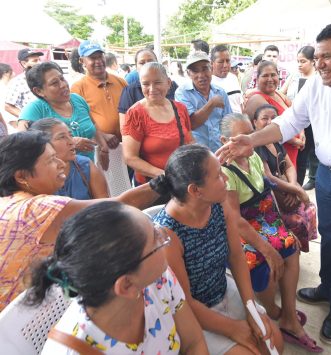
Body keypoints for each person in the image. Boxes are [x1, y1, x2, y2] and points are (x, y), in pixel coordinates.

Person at [216, 21, 331, 345]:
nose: (320, 64)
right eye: (317, 58)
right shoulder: (315, 85)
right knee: (329, 238)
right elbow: (288, 123)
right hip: (327, 176)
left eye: (327, 57)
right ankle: (328, 286)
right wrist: (251, 140)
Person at [0, 131, 159, 311]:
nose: (61, 164)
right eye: (51, 160)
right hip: (22, 317)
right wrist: (166, 179)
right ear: (21, 176)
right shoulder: (36, 209)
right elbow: (119, 207)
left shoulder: (10, 203)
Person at [24, 201, 208, 354]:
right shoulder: (74, 350)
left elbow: (193, 342)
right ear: (126, 285)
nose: (164, 236)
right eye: (155, 238)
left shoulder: (157, 280)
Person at [151, 144, 284, 355]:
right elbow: (183, 301)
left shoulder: (218, 206)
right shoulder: (168, 234)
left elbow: (236, 255)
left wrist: (250, 307)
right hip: (193, 314)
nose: (226, 179)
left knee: (273, 340)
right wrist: (232, 328)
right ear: (195, 190)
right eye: (218, 176)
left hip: (222, 291)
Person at [220, 113, 322, 352]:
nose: (247, 142)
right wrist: (267, 249)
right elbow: (234, 220)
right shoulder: (224, 172)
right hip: (242, 227)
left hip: (264, 219)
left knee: (290, 247)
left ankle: (288, 315)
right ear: (224, 139)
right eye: (239, 138)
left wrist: (294, 189)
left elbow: (267, 180)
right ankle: (275, 311)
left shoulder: (253, 155)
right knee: (262, 263)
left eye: (249, 136)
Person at [18, 62, 109, 168]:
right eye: (54, 83)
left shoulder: (77, 99)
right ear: (39, 91)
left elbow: (93, 125)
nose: (63, 85)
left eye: (62, 79)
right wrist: (70, 142)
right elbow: (22, 145)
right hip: (57, 175)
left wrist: (103, 147)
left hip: (87, 170)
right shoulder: (34, 109)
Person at [253, 104, 317, 252]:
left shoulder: (276, 142)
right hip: (270, 195)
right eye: (264, 118)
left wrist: (293, 186)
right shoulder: (257, 146)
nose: (269, 122)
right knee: (297, 220)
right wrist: (295, 190)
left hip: (285, 188)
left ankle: (297, 249)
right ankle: (291, 250)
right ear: (255, 122)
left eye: (273, 119)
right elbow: (267, 177)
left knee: (310, 209)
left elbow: (289, 166)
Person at [122, 62, 193, 187]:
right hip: (154, 187)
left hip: (182, 182)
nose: (152, 89)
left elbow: (190, 141)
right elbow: (130, 157)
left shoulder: (180, 109)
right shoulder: (135, 114)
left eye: (157, 82)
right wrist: (164, 175)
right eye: (145, 84)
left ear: (168, 83)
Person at [30, 118, 109, 199]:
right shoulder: (36, 177)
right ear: (45, 144)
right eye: (62, 137)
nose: (71, 142)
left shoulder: (85, 165)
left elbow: (105, 204)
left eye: (70, 135)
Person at [244, 61, 304, 168]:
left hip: (293, 150)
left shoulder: (279, 94)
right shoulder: (257, 99)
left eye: (273, 75)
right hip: (275, 154)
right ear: (257, 79)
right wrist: (296, 141)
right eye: (265, 76)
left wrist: (302, 133)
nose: (270, 79)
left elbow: (296, 113)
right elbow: (271, 127)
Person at [71, 40, 127, 149]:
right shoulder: (77, 88)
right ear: (82, 61)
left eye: (100, 56)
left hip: (126, 145)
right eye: (93, 58)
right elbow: (78, 122)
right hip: (100, 148)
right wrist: (102, 135)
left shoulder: (121, 82)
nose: (99, 61)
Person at [175, 51, 232, 152]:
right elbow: (191, 123)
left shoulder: (220, 92)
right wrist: (212, 103)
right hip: (197, 153)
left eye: (205, 69)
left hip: (221, 150)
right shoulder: (182, 93)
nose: (201, 75)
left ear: (211, 69)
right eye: (195, 71)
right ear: (188, 73)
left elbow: (229, 122)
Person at [281, 46, 319, 188]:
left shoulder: (318, 79)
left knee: (307, 154)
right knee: (294, 157)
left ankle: (306, 182)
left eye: (303, 61)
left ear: (312, 62)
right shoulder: (295, 76)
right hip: (293, 120)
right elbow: (281, 93)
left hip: (310, 123)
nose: (299, 64)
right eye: (298, 61)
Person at [118, 49, 178, 129]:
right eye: (142, 63)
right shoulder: (130, 91)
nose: (147, 65)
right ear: (136, 67)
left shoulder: (172, 86)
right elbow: (124, 126)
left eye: (150, 61)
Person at [4, 48, 43, 118]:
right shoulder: (18, 82)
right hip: (34, 125)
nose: (39, 63)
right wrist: (29, 118)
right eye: (35, 61)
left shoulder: (44, 77)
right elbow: (8, 106)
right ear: (24, 64)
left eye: (39, 60)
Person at [210, 44, 243, 114]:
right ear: (212, 63)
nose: (225, 65)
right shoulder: (208, 83)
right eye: (221, 62)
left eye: (227, 61)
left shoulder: (233, 78)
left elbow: (240, 104)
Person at [0, 63, 16, 132]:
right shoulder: (5, 89)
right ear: (6, 73)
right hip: (11, 127)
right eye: (12, 71)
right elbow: (5, 111)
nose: (14, 74)